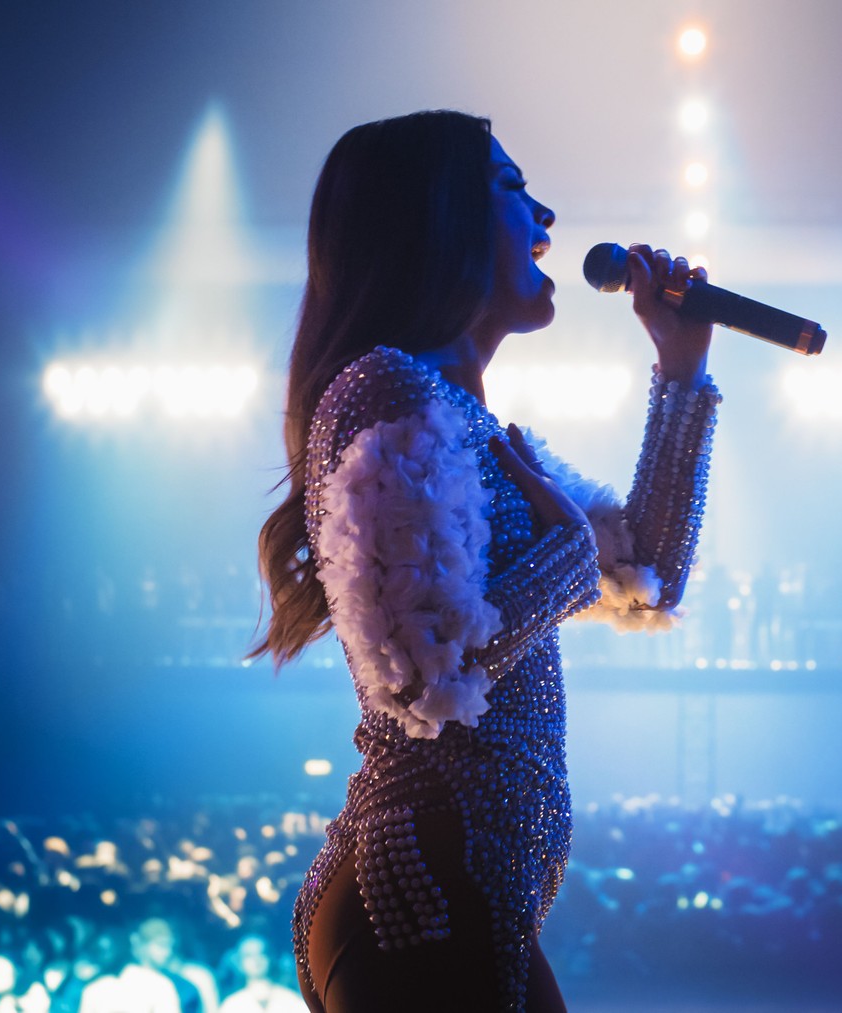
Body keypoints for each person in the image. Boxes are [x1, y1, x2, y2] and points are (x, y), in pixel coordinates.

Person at [249, 110, 720, 1012]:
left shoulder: (477, 430)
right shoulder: (383, 389)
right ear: (440, 218)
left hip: (469, 893)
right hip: (418, 893)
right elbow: (426, 679)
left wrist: (681, 372)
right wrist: (565, 559)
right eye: (512, 189)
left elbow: (650, 571)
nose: (546, 218)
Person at [214, 939, 307, 1013]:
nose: (256, 959)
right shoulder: (231, 1005)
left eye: (261, 953)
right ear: (240, 963)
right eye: (248, 955)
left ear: (270, 958)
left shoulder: (291, 999)